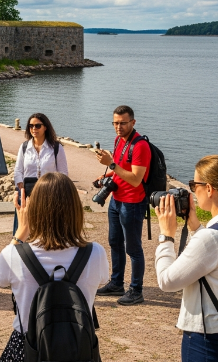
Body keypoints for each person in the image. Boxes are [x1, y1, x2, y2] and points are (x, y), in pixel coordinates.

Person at [0, 172, 109, 361]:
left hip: (28, 347)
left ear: (33, 210)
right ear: (75, 209)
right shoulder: (95, 253)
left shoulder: (14, 255)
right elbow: (104, 278)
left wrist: (20, 233)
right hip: (77, 346)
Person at [155, 155, 218, 362]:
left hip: (208, 340)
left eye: (194, 185)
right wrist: (195, 227)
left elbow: (167, 282)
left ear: (209, 189)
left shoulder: (211, 239)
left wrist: (166, 236)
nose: (192, 190)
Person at [93, 105, 151, 306]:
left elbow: (136, 179)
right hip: (116, 200)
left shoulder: (140, 146)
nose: (118, 127)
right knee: (114, 242)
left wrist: (110, 165)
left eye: (122, 123)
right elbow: (120, 168)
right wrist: (106, 175)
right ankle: (116, 283)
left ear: (133, 123)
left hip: (133, 203)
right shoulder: (119, 140)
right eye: (115, 123)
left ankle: (136, 290)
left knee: (133, 248)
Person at [13, 113, 68, 233]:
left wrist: (56, 190)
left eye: (37, 125)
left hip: (49, 192)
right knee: (25, 228)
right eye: (31, 126)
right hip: (28, 192)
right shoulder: (24, 147)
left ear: (45, 127)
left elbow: (63, 173)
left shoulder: (56, 148)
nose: (33, 129)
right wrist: (20, 186)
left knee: (47, 228)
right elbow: (18, 170)